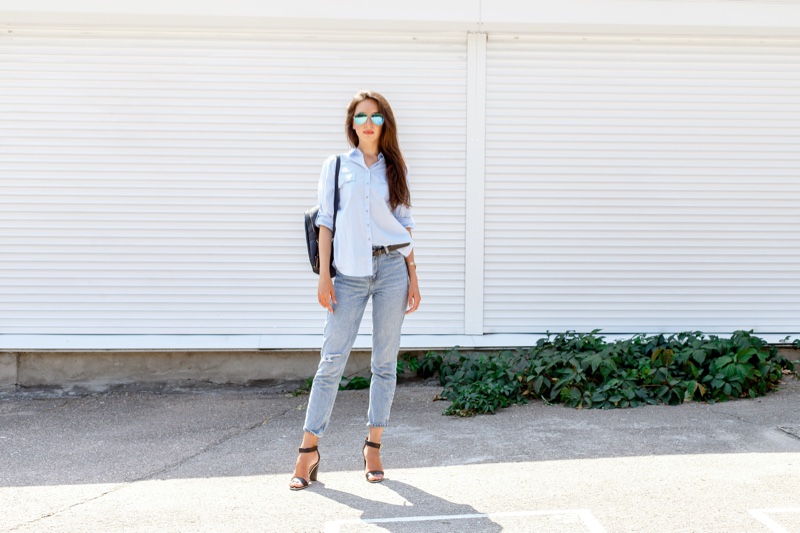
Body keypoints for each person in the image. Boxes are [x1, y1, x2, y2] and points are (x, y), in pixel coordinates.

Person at [289, 90, 421, 491]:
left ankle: (373, 445)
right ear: (352, 124)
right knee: (332, 361)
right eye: (361, 117)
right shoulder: (336, 166)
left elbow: (405, 222)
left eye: (375, 117)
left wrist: (414, 275)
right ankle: (308, 451)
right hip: (347, 274)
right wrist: (324, 276)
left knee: (385, 362)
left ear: (385, 124)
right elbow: (325, 222)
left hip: (393, 268)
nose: (368, 123)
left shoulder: (394, 168)